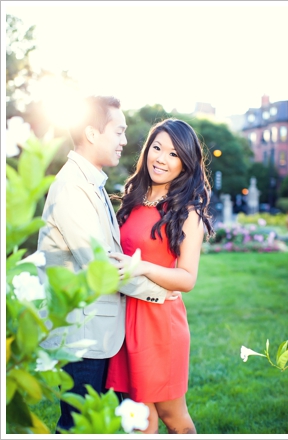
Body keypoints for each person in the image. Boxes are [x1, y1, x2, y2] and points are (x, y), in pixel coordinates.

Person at [37, 96, 172, 432]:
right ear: (93, 134)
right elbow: (102, 268)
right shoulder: (72, 187)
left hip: (99, 333)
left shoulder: (90, 182)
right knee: (77, 428)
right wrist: (164, 290)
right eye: (119, 131)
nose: (125, 141)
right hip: (80, 336)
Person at [105, 118, 214, 434]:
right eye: (157, 148)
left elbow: (187, 279)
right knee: (140, 420)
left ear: (185, 163)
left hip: (160, 324)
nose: (161, 159)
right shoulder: (132, 199)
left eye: (173, 154)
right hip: (124, 318)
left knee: (172, 416)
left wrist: (142, 267)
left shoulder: (187, 211)